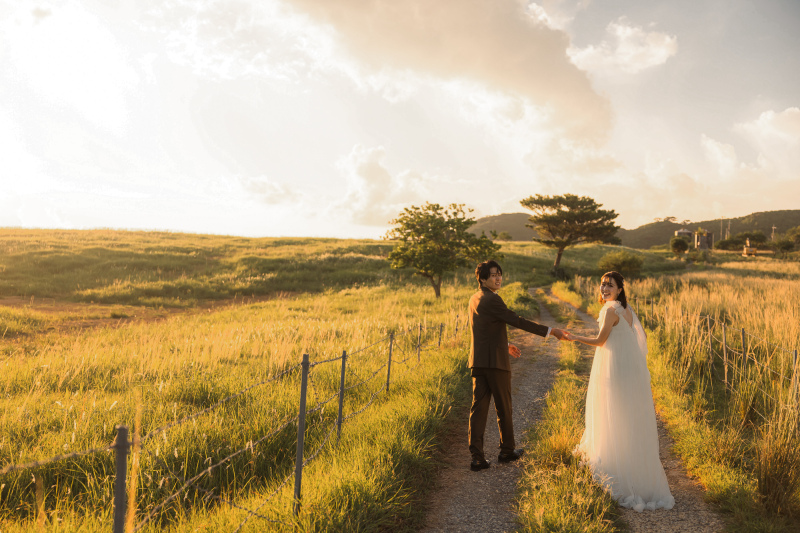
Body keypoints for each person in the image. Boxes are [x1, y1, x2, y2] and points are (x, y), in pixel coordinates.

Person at [564, 271, 674, 512]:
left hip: (615, 368)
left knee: (610, 413)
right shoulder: (627, 310)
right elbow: (637, 341)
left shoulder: (611, 310)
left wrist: (574, 337)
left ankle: (617, 472)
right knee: (626, 418)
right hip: (629, 369)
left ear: (620, 289)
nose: (604, 289)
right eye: (602, 285)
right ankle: (632, 470)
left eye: (609, 286)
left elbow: (600, 341)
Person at [468, 260, 566, 472]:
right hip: (496, 363)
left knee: (479, 409)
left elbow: (484, 330)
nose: (498, 278)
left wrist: (506, 343)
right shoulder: (493, 299)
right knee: (504, 406)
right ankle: (507, 450)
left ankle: (477, 458)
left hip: (479, 361)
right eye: (493, 275)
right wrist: (551, 331)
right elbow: (517, 320)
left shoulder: (475, 298)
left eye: (499, 274)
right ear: (482, 279)